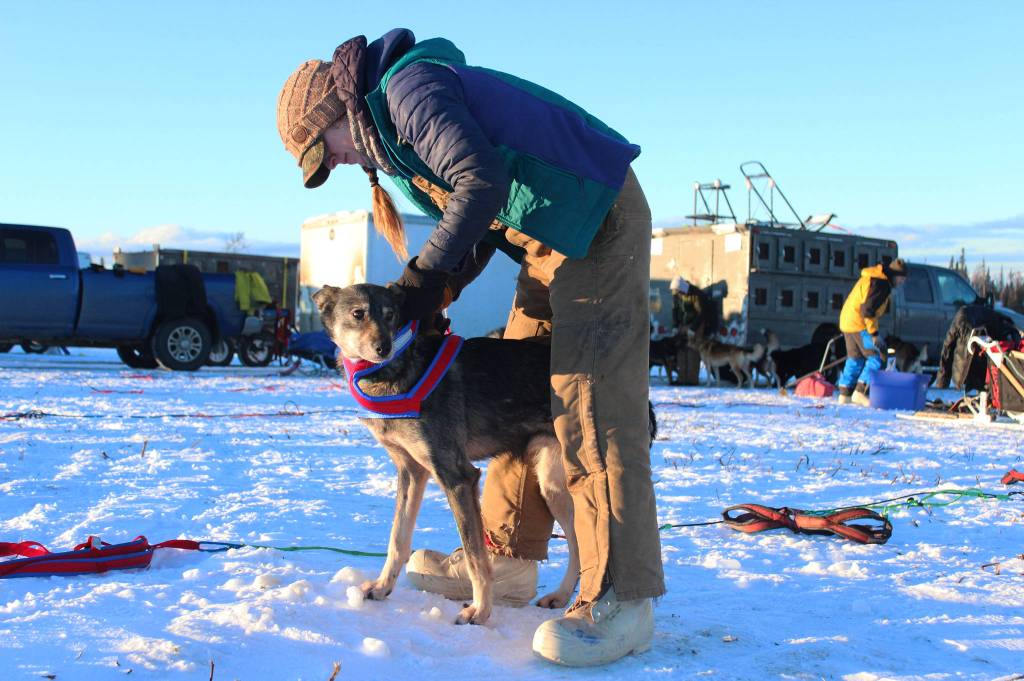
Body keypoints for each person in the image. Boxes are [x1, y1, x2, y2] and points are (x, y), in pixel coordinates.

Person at [276, 29, 664, 666]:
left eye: (329, 149)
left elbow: (479, 182)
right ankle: (507, 561)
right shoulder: (393, 131)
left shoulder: (407, 92)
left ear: (339, 112)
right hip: (545, 240)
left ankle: (619, 598)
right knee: (512, 388)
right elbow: (480, 215)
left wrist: (422, 279)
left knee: (587, 406)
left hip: (596, 220)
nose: (339, 161)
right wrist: (439, 291)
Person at [837, 258, 908, 405]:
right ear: (895, 275)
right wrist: (874, 335)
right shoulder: (881, 284)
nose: (902, 283)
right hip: (859, 323)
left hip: (847, 320)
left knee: (855, 358)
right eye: (902, 279)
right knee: (877, 356)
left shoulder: (873, 277)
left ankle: (844, 396)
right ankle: (861, 392)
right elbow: (867, 311)